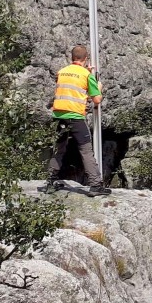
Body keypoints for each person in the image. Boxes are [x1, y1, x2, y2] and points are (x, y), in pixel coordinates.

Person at [44, 45, 110, 196]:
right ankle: (95, 185)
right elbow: (97, 100)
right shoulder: (87, 76)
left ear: (71, 57)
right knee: (86, 150)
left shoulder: (62, 72)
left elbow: (72, 83)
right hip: (76, 117)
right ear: (86, 59)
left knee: (59, 149)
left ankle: (51, 181)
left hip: (60, 116)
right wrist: (98, 86)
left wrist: (85, 71)